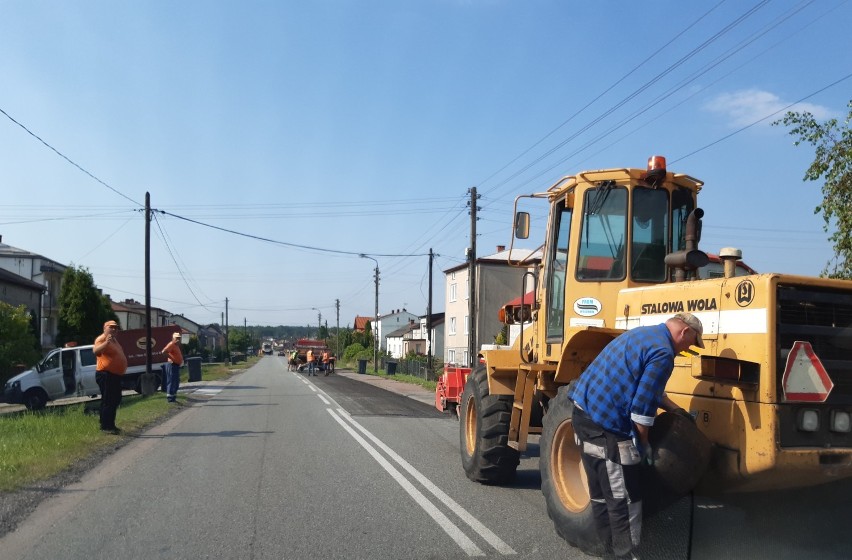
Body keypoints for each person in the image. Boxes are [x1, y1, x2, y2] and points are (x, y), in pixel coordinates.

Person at [566, 312, 703, 560]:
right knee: (625, 498)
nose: (688, 349)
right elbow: (641, 409)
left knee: (600, 494)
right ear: (685, 332)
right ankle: (625, 555)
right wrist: (643, 443)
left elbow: (648, 389)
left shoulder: (642, 335)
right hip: (607, 430)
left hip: (583, 416)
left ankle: (607, 550)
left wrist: (675, 409)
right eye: (691, 342)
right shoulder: (663, 353)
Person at [93, 320, 128, 434]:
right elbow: (96, 351)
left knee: (115, 399)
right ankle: (105, 426)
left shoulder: (114, 341)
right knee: (108, 400)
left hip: (115, 376)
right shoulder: (102, 339)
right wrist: (106, 343)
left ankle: (111, 424)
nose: (114, 329)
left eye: (116, 328)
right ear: (105, 328)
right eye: (111, 327)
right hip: (105, 374)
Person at [162, 332, 184, 403]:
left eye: (179, 338)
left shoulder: (176, 346)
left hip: (176, 365)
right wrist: (172, 358)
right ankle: (170, 398)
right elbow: (164, 352)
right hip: (172, 365)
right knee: (171, 381)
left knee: (176, 381)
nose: (178, 339)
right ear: (173, 338)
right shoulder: (171, 344)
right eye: (177, 338)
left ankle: (173, 396)